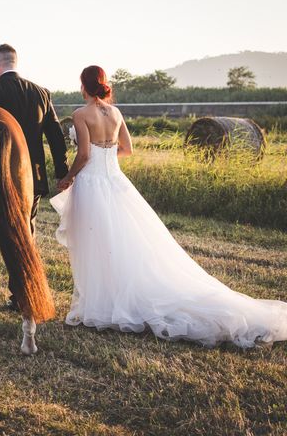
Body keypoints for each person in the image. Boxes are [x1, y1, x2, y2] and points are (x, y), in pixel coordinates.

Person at [50, 65, 287, 347]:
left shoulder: (80, 114)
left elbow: (84, 153)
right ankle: (111, 302)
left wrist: (68, 177)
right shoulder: (116, 113)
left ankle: (99, 305)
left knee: (95, 245)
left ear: (84, 85)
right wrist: (108, 162)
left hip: (91, 184)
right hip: (115, 181)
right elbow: (126, 149)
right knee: (123, 243)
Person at [0, 43, 68, 309]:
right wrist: (62, 172)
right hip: (30, 178)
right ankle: (20, 295)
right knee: (25, 232)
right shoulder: (41, 93)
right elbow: (56, 137)